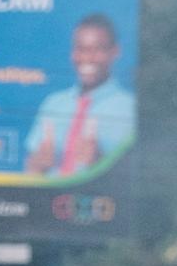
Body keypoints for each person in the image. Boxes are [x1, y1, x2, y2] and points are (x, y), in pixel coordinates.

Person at [24, 13, 136, 178]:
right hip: (46, 200)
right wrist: (37, 164)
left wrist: (101, 163)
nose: (87, 57)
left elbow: (138, 180)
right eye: (80, 49)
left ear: (115, 52)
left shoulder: (131, 109)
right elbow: (29, 171)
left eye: (98, 49)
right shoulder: (52, 103)